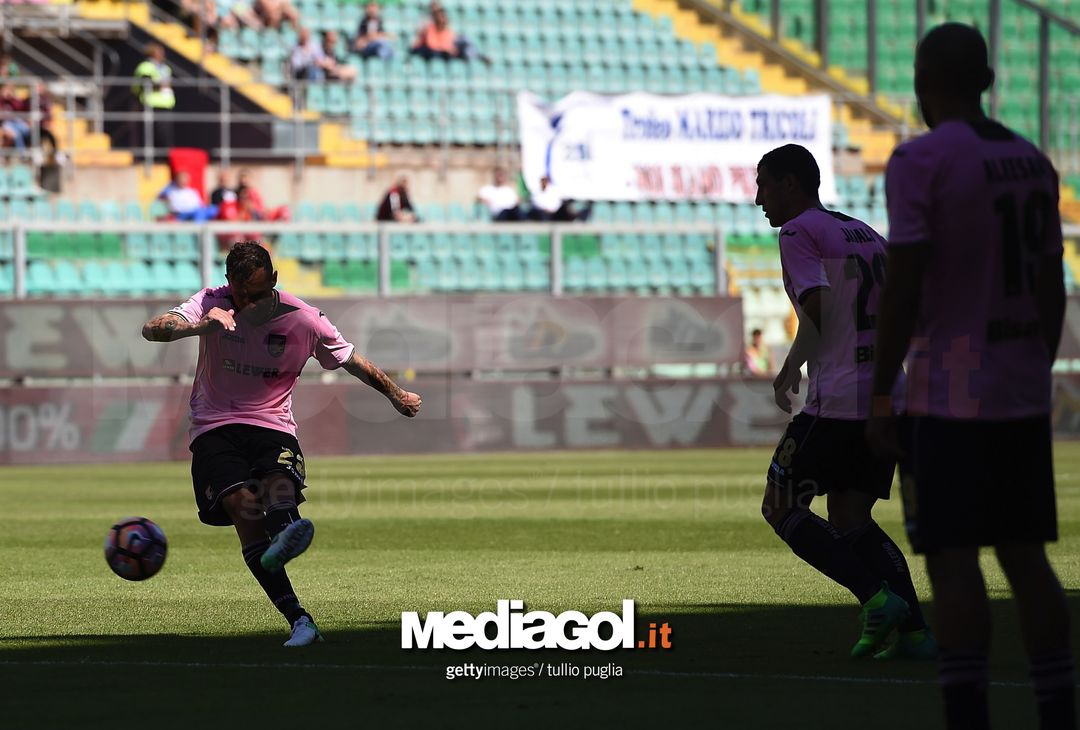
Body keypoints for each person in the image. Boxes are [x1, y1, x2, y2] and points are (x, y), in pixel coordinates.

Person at [867, 24, 1074, 730]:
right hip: (1017, 390)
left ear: (925, 82)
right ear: (987, 79)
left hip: (946, 394)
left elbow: (903, 284)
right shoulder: (1031, 160)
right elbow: (1052, 283)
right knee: (1026, 558)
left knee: (953, 562)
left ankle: (967, 715)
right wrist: (1031, 362)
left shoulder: (920, 160)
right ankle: (1057, 708)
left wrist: (881, 391)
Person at [141, 241, 421, 647]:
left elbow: (351, 360)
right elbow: (152, 330)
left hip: (272, 424)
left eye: (256, 293)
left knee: (278, 486)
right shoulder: (211, 302)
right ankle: (299, 619)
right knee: (241, 509)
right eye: (241, 294)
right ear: (228, 285)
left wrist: (395, 394)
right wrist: (202, 325)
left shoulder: (304, 319)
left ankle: (286, 528)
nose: (248, 303)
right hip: (214, 426)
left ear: (273, 280)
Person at [757, 143, 932, 660]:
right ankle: (916, 634)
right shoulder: (865, 231)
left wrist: (791, 367)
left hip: (837, 400)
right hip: (885, 394)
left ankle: (877, 600)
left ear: (792, 183)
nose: (758, 198)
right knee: (851, 514)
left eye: (764, 184)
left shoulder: (798, 232)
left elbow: (817, 306)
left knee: (780, 505)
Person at [132, 43, 176, 153]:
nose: (162, 54)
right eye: (159, 51)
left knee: (165, 135)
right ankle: (148, 158)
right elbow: (146, 83)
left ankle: (164, 157)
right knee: (150, 134)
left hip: (165, 104)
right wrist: (161, 84)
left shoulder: (165, 68)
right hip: (151, 104)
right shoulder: (145, 66)